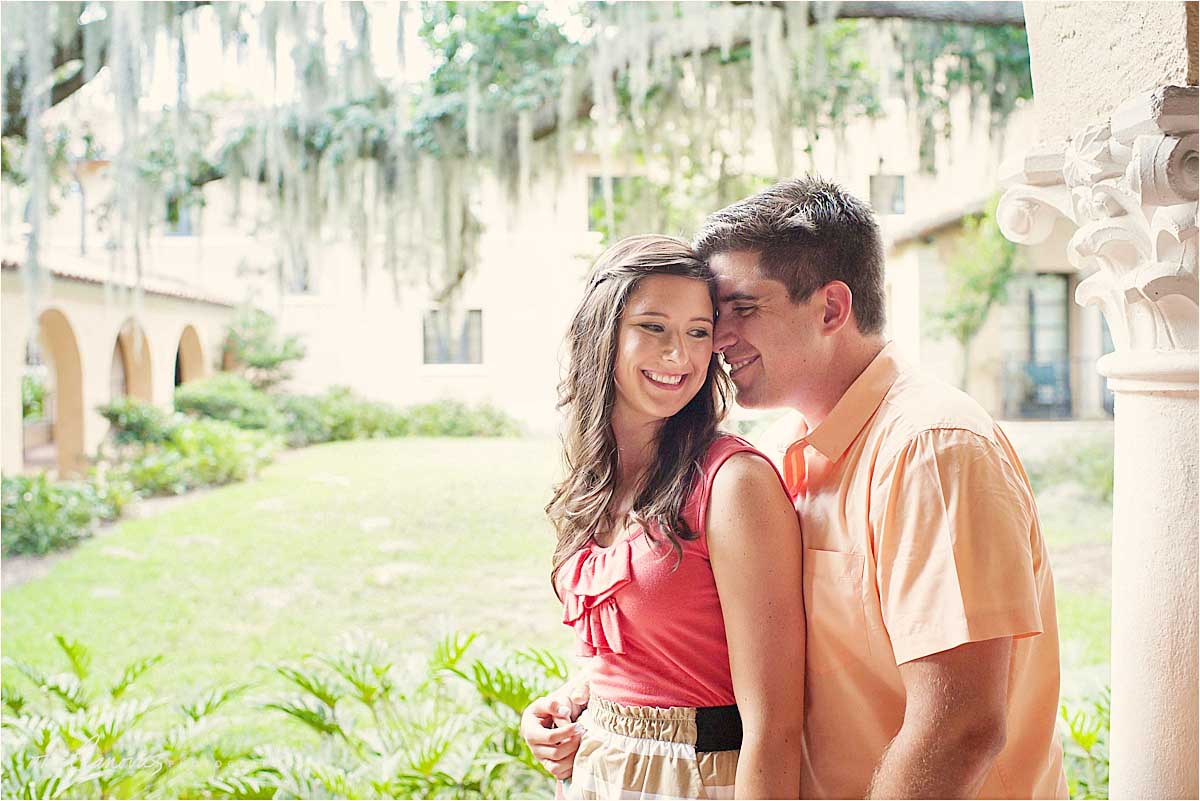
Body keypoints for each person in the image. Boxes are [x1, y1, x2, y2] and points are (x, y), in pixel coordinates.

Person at [524, 178, 1069, 799]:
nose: (716, 341)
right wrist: (587, 701)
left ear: (832, 308)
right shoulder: (786, 447)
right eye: (714, 318)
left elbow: (960, 727)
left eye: (742, 310)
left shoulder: (932, 449)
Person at [541, 234, 805, 799]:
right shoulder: (594, 481)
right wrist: (574, 700)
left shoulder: (733, 484)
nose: (678, 356)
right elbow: (642, 653)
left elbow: (776, 728)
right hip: (596, 773)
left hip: (695, 776)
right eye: (653, 327)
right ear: (601, 333)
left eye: (698, 333)